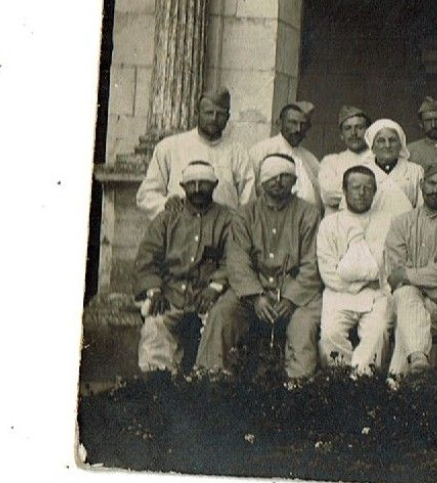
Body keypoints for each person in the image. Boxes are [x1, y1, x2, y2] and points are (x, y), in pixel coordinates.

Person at [201, 152, 323, 380]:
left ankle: (299, 388)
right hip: (252, 292)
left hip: (297, 293)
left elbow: (313, 261)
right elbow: (238, 261)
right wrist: (256, 296)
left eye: (285, 176)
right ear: (261, 181)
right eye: (271, 176)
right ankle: (211, 380)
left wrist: (291, 298)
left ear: (295, 181)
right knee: (222, 315)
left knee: (303, 326)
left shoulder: (308, 214)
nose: (278, 182)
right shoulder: (245, 215)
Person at [132, 160, 234, 373]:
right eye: (191, 183)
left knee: (218, 323)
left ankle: (207, 382)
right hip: (171, 292)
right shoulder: (167, 218)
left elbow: (232, 259)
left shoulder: (227, 219)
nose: (197, 189)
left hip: (208, 294)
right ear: (183, 186)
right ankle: (159, 384)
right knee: (155, 325)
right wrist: (154, 290)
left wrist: (214, 288)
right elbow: (147, 256)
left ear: (214, 185)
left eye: (204, 183)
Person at [384, 163, 437, 382]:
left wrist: (411, 277)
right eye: (432, 183)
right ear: (422, 185)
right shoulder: (402, 222)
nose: (436, 190)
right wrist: (430, 288)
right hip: (420, 297)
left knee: (407, 315)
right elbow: (395, 269)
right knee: (406, 300)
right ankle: (418, 362)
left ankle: (398, 385)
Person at [315, 165, 390, 375]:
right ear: (345, 190)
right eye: (355, 187)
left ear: (375, 192)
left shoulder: (387, 224)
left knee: (378, 332)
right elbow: (329, 272)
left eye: (368, 188)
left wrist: (360, 275)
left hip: (377, 295)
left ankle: (362, 380)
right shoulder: (330, 224)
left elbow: (388, 269)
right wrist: (364, 281)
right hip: (338, 294)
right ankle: (341, 378)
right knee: (329, 334)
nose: (362, 192)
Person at [136, 88, 254, 217]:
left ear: (228, 117)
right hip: (180, 228)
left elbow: (249, 202)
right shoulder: (169, 147)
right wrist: (165, 204)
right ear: (197, 113)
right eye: (209, 113)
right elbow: (146, 195)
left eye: (220, 114)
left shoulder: (238, 153)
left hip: (222, 230)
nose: (214, 118)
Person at [245, 100, 321, 207]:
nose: (298, 129)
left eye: (303, 124)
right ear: (279, 123)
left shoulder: (310, 159)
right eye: (293, 122)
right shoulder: (261, 150)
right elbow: (248, 192)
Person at [318, 105, 373, 212]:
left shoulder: (378, 159)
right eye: (348, 128)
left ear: (369, 132)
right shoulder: (330, 161)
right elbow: (327, 195)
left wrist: (343, 188)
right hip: (338, 225)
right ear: (341, 135)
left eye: (359, 127)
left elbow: (382, 193)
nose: (353, 133)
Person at [365, 119, 423, 209]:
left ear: (400, 144)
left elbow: (421, 207)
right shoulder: (362, 172)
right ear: (372, 146)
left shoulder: (415, 171)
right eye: (381, 141)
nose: (387, 145)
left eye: (392, 140)